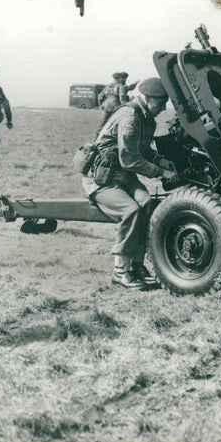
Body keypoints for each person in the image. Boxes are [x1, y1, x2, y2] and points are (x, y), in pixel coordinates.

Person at [81, 77, 179, 290]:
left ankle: (136, 264)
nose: (163, 108)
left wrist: (160, 160)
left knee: (147, 204)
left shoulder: (145, 118)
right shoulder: (130, 117)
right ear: (147, 98)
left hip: (122, 177)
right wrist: (162, 172)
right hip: (101, 179)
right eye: (161, 102)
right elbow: (130, 159)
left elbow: (141, 150)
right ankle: (120, 270)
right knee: (131, 212)